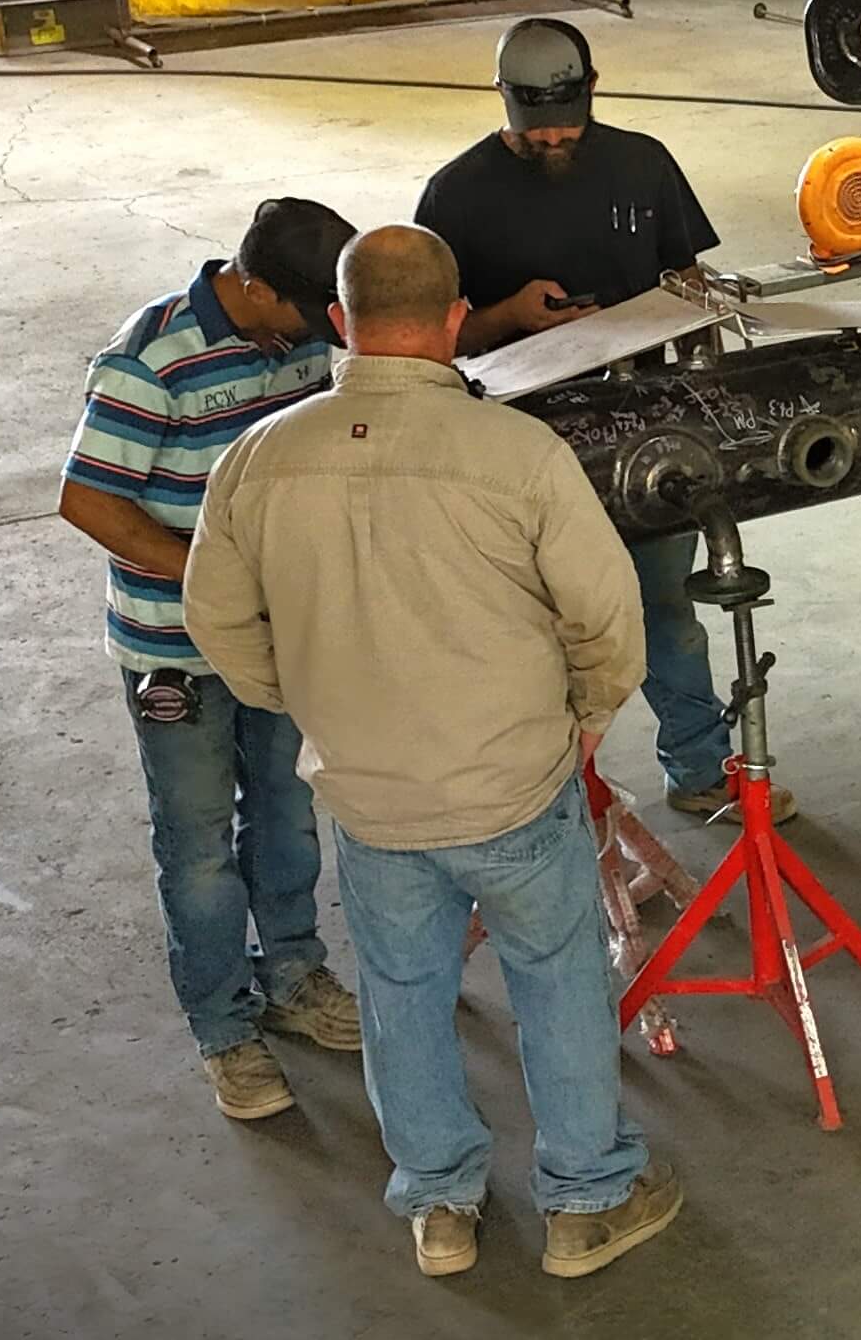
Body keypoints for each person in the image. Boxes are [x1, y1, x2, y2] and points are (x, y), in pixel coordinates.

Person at [182, 224, 683, 1281]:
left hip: (371, 801)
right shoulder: (519, 455)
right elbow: (608, 621)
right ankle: (587, 1201)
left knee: (401, 994)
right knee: (555, 985)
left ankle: (443, 1209)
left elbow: (217, 624)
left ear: (338, 320)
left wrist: (315, 705)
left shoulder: (259, 459)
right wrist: (578, 720)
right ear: (456, 321)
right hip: (514, 785)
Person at [414, 16, 794, 825]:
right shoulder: (454, 196)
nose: (551, 137)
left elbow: (690, 286)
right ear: (503, 104)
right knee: (527, 626)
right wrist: (508, 316)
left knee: (666, 611)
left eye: (565, 121)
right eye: (532, 129)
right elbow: (429, 343)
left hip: (648, 430)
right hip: (520, 444)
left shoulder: (643, 164)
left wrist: (711, 379)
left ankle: (695, 769)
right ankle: (536, 797)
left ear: (593, 89)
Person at [58, 197, 364, 1122]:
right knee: (196, 848)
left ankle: (295, 976)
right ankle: (225, 1028)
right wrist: (215, 576)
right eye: (309, 316)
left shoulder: (304, 339)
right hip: (176, 651)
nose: (320, 340)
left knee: (287, 812)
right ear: (255, 285)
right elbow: (89, 503)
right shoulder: (149, 359)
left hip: (280, 637)